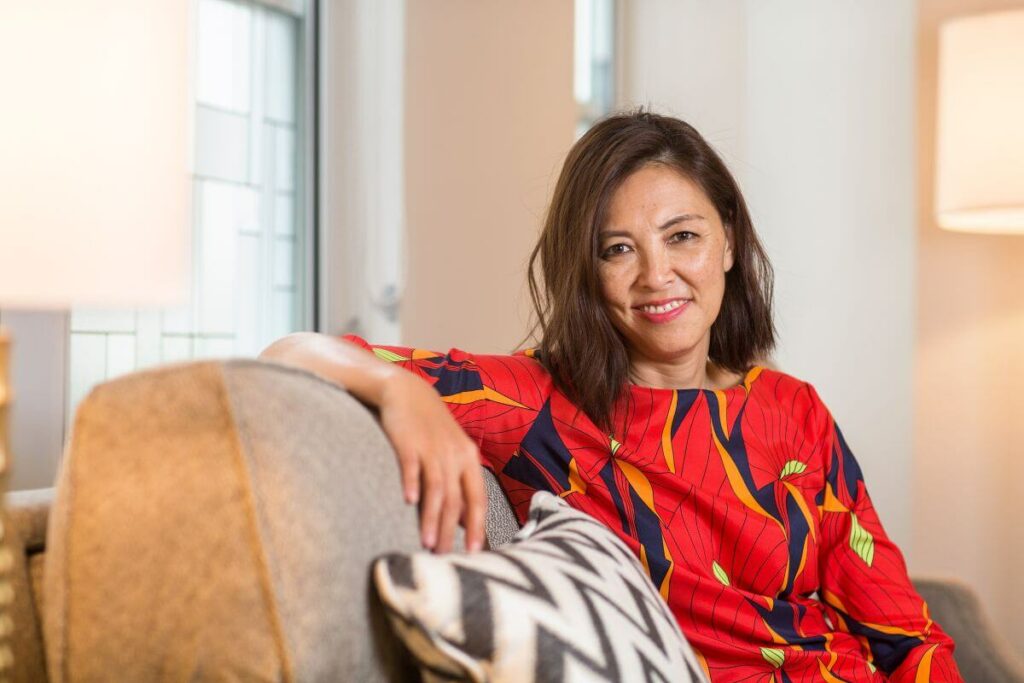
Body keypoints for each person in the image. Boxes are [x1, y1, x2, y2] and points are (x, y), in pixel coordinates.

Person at [260, 111, 962, 682]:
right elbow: (285, 354)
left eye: (682, 237)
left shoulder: (793, 410)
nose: (658, 276)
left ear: (727, 244)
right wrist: (397, 390)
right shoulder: (535, 399)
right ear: (586, 271)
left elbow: (903, 631)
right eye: (618, 249)